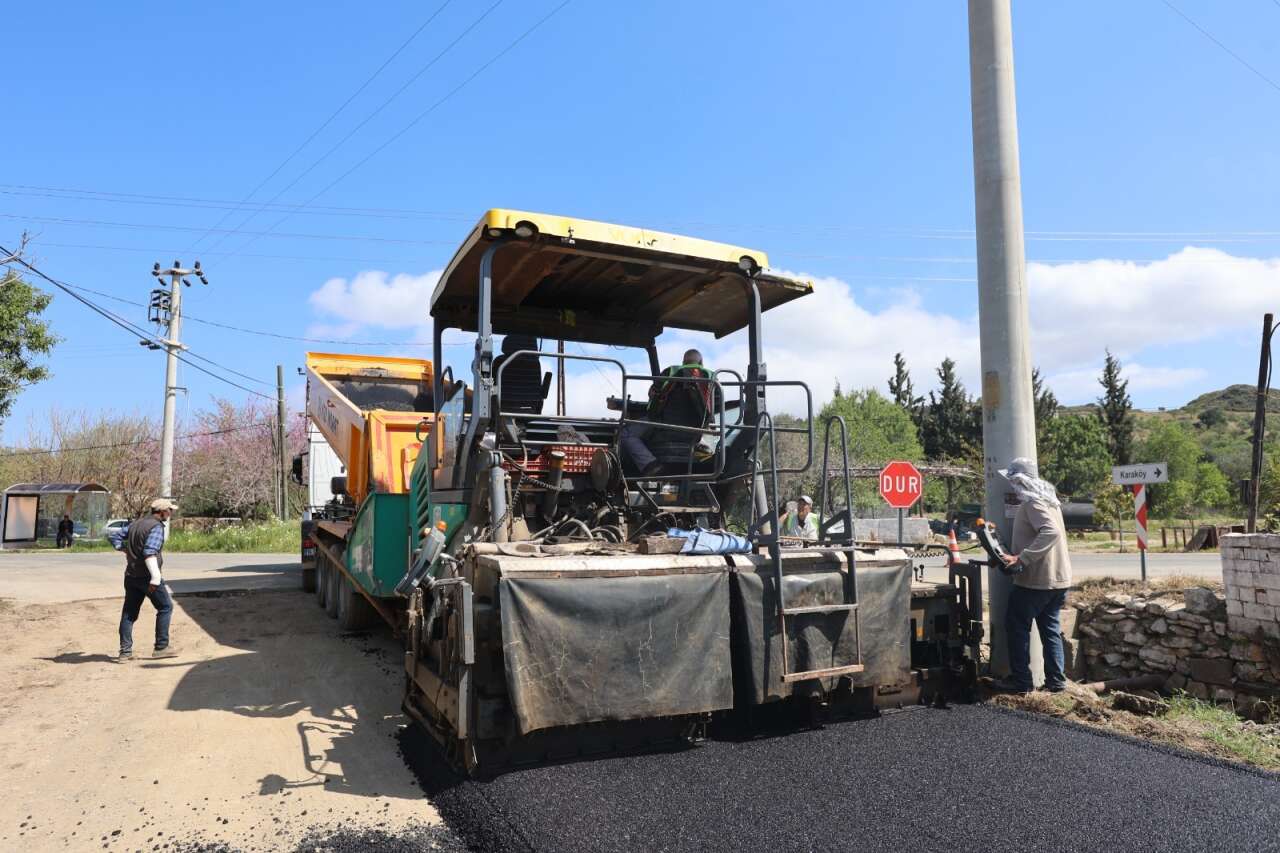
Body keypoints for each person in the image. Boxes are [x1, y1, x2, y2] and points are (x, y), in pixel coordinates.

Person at [992, 458, 1073, 694]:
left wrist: (1022, 558)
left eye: (1013, 481)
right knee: (1050, 629)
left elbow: (1051, 532)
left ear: (1020, 481)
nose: (1012, 487)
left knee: (1016, 626)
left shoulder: (1032, 503)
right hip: (1058, 580)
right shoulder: (1050, 502)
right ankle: (1056, 683)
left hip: (1036, 582)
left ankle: (1021, 682)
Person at [619, 348, 713, 476]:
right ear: (701, 363)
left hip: (665, 426)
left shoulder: (671, 372)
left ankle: (650, 465)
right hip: (694, 432)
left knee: (625, 433)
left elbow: (653, 397)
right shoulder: (712, 378)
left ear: (683, 362)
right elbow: (713, 410)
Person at [108, 498, 177, 661]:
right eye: (170, 510)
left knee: (129, 613)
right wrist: (155, 577)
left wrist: (123, 548)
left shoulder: (136, 524)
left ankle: (125, 652)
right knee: (165, 607)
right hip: (147, 577)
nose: (171, 513)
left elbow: (114, 536)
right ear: (162, 512)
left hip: (131, 576)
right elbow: (149, 551)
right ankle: (161, 647)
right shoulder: (156, 527)